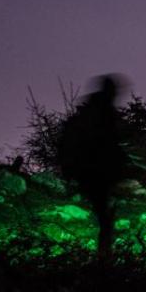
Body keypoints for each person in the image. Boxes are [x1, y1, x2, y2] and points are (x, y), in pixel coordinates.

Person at [58, 74, 130, 263]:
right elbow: (107, 143)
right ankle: (103, 257)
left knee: (104, 215)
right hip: (95, 170)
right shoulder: (103, 114)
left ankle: (103, 255)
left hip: (91, 170)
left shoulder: (92, 110)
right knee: (104, 217)